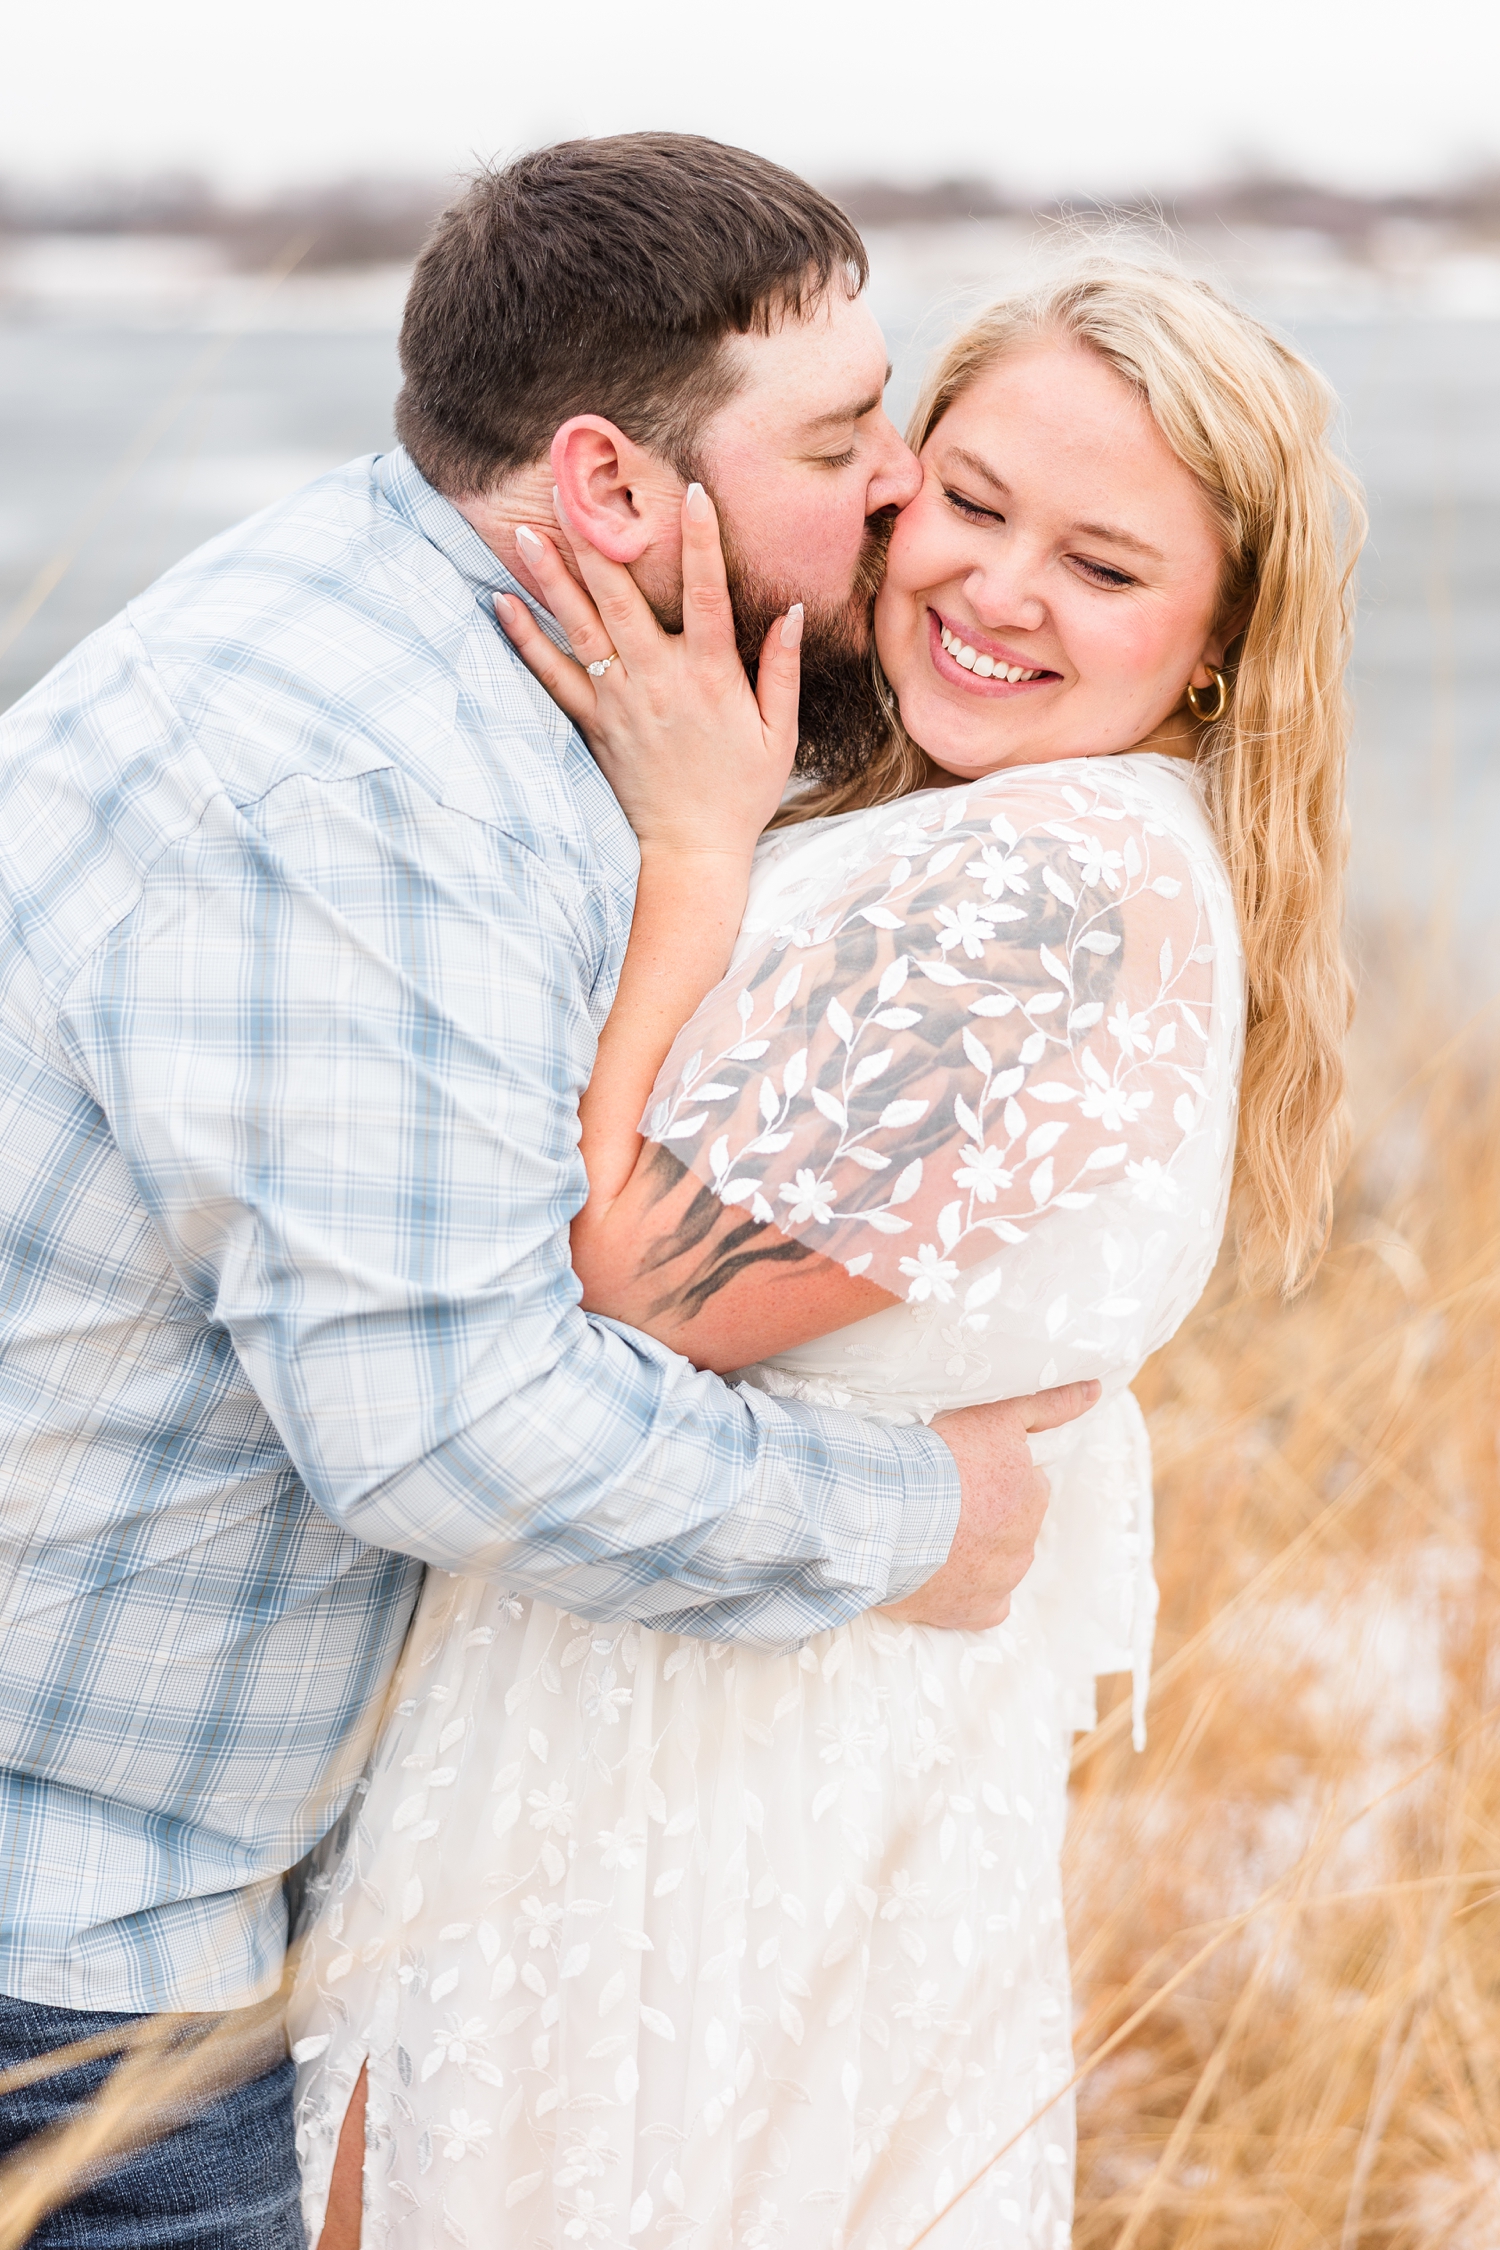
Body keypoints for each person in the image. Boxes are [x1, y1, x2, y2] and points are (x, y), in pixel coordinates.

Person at [0, 138, 1091, 2245]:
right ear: (606, 486)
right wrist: (928, 1520)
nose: (898, 490)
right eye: (846, 438)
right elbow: (449, 1416)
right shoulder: (356, 783)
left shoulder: (462, 646)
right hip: (63, 1952)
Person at [289, 261, 1360, 2247]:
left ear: (1222, 641)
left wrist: (692, 847)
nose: (999, 589)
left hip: (693, 1801)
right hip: (704, 1732)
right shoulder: (983, 824)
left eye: (1106, 565)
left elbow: (639, 1280)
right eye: (971, 501)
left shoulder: (1049, 877)